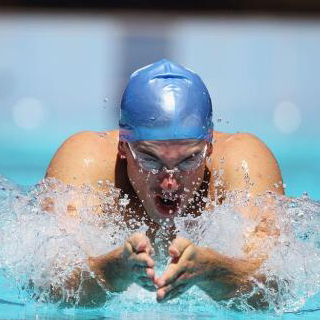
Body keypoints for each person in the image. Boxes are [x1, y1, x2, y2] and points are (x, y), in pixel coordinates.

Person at [45, 59, 284, 307]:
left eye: (189, 159)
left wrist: (214, 270)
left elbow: (277, 288)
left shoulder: (244, 163)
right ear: (123, 148)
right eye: (150, 160)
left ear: (209, 149)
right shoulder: (86, 162)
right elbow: (50, 285)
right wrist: (114, 269)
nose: (170, 182)